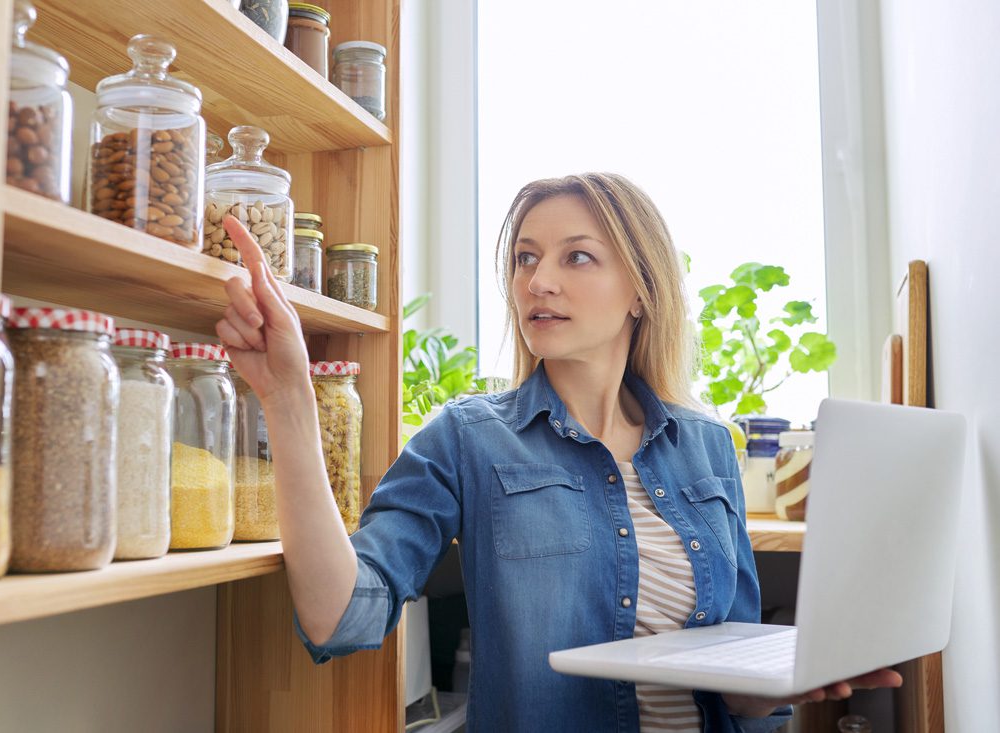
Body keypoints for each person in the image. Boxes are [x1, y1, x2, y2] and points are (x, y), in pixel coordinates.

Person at [215, 172, 901, 732]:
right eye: (525, 257)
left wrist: (794, 676)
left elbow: (742, 689)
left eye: (576, 255)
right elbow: (343, 614)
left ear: (640, 289)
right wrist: (289, 399)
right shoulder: (468, 436)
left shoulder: (708, 447)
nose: (538, 280)